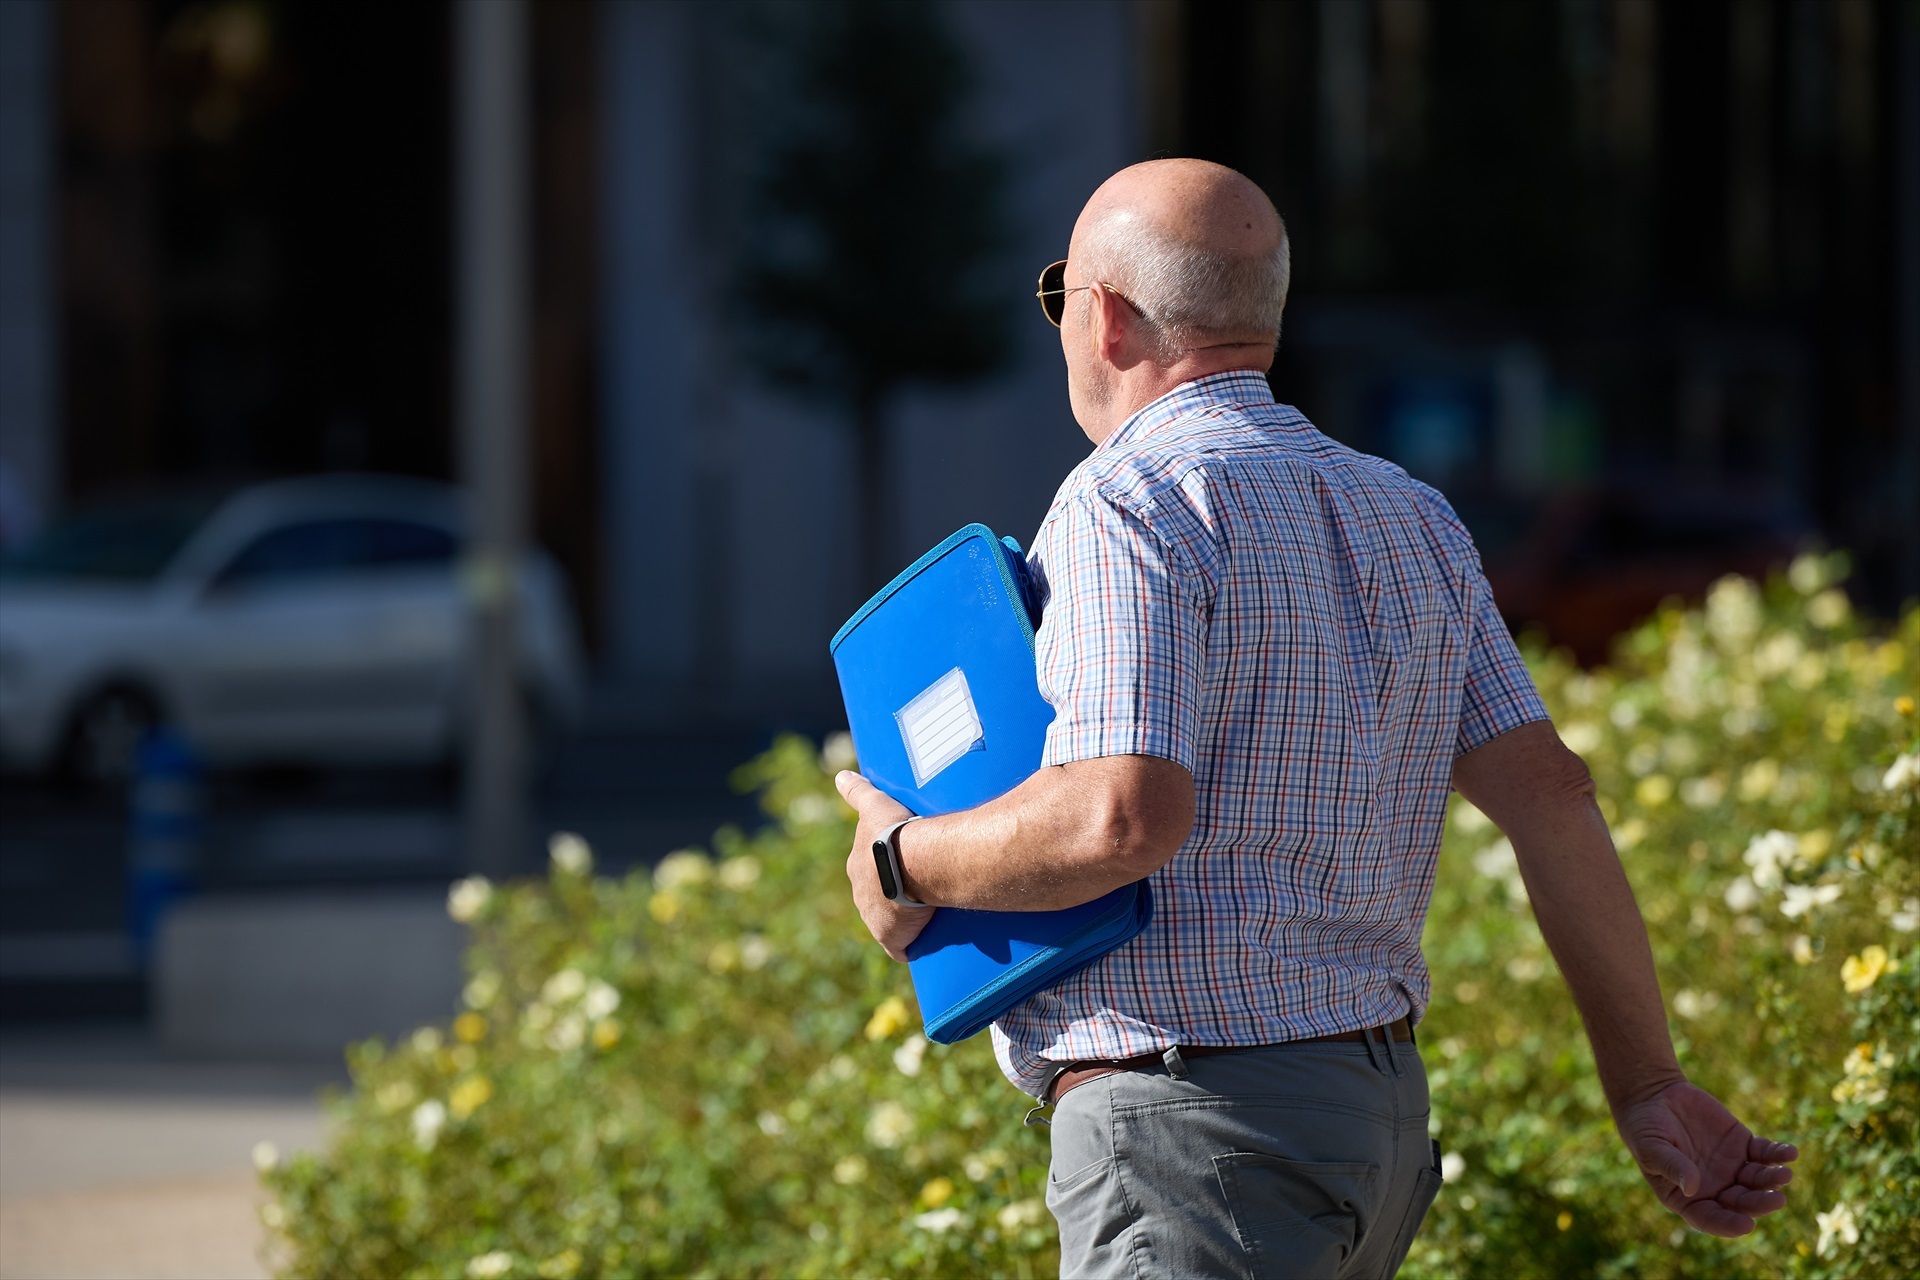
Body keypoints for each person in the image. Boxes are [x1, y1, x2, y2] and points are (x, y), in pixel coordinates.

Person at [832, 158, 1798, 1279]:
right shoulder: (1411, 513)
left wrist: (905, 860)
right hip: (1374, 1120)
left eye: (1060, 296)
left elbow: (1119, 817)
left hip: (1194, 1132)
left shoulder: (1125, 499)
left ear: (1103, 316)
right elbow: (1554, 799)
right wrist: (1647, 1083)